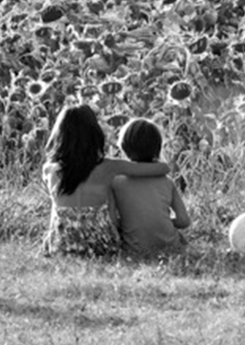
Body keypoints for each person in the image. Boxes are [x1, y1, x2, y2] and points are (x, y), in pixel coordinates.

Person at [39, 103, 171, 257]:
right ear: (94, 134)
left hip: (63, 245)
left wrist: (49, 242)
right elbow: (163, 168)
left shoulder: (49, 169)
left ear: (59, 136)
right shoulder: (110, 166)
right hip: (102, 244)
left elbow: (55, 213)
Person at [108, 118, 192, 256]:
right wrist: (160, 221)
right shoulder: (167, 181)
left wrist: (134, 221)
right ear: (158, 147)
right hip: (172, 248)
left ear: (124, 147)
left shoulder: (115, 182)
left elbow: (112, 222)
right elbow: (184, 221)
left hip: (134, 250)